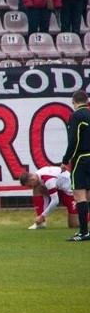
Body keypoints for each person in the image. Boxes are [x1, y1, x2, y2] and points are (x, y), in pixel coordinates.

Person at [61, 89, 90, 241]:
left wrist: (66, 160)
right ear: (86, 101)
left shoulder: (76, 116)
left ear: (74, 102)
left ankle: (83, 232)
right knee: (89, 195)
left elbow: (74, 140)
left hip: (81, 158)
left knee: (79, 195)